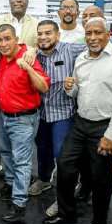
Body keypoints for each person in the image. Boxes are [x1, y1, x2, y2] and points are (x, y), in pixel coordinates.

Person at [44, 17, 112, 224]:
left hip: (104, 127)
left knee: (100, 178)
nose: (93, 38)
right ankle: (67, 213)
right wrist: (70, 88)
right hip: (80, 123)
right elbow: (77, 92)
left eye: (97, 33)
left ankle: (99, 223)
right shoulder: (81, 58)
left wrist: (110, 135)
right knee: (65, 165)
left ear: (108, 34)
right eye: (89, 33)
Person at [0, 24, 50, 224]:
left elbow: (43, 86)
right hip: (5, 116)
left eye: (7, 38)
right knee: (6, 153)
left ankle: (19, 206)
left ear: (16, 38)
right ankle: (10, 185)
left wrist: (27, 66)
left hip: (23, 119)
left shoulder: (27, 57)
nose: (3, 43)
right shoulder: (1, 56)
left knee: (22, 161)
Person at [30, 20, 82, 197]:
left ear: (57, 35)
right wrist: (30, 50)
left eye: (48, 33)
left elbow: (97, 44)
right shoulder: (35, 54)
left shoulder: (70, 49)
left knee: (62, 153)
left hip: (63, 113)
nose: (43, 37)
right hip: (41, 112)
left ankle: (69, 186)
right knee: (42, 150)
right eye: (40, 33)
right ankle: (44, 180)